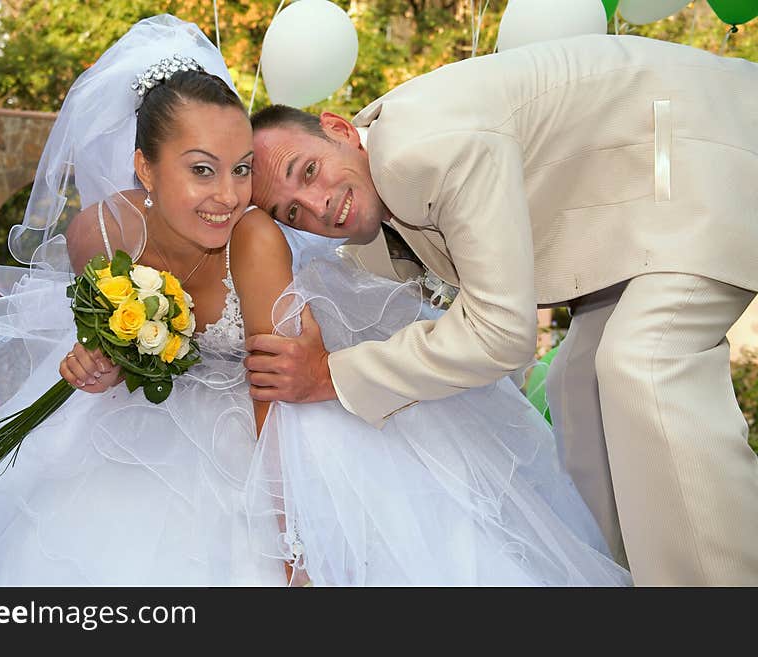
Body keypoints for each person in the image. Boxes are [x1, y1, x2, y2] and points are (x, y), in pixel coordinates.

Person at [0, 15, 630, 587]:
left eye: (241, 169)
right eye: (201, 170)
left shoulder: (255, 240)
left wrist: (291, 536)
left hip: (286, 418)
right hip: (153, 424)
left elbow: (277, 391)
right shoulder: (96, 235)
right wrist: (95, 365)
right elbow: (110, 354)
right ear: (144, 166)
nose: (229, 195)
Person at [245, 33, 758, 586]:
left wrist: (328, 374)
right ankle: (621, 575)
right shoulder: (373, 204)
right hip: (646, 201)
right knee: (575, 385)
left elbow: (500, 335)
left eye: (308, 171)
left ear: (340, 129)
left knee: (644, 362)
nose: (317, 206)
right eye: (291, 212)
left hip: (705, 149)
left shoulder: (424, 150)